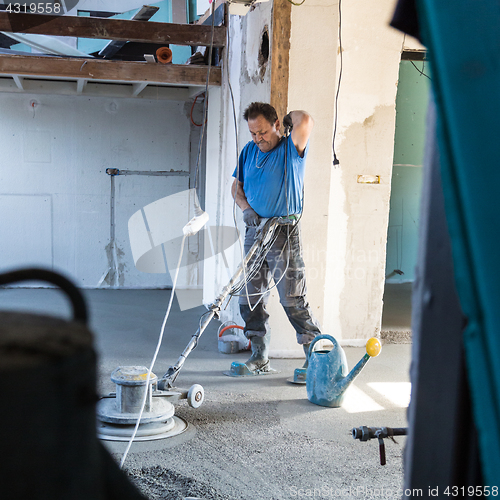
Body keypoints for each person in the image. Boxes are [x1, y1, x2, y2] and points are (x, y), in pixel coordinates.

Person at [231, 102, 322, 373]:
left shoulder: (291, 150)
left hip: (283, 231)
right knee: (249, 297)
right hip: (255, 231)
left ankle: (315, 357)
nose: (258, 139)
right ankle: (259, 356)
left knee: (292, 298)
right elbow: (236, 188)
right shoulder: (249, 152)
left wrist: (288, 116)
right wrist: (246, 209)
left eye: (263, 132)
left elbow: (305, 119)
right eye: (253, 133)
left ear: (277, 126)